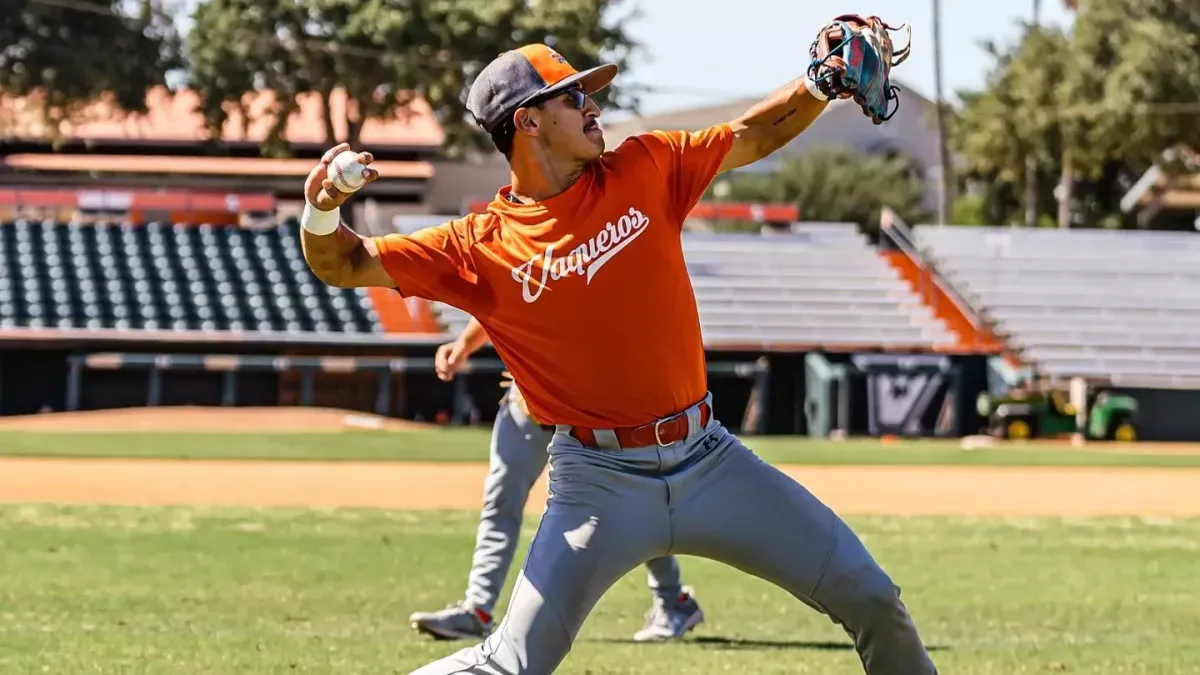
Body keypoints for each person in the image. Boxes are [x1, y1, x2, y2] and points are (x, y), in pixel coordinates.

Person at [299, 37, 937, 675]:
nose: (592, 105)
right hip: (596, 484)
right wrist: (321, 208)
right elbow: (345, 262)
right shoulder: (477, 246)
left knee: (874, 598)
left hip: (710, 460)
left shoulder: (645, 167)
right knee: (510, 664)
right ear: (527, 121)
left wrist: (818, 86)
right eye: (574, 96)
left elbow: (751, 134)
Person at [407, 316, 704, 643]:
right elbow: (494, 307)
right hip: (526, 411)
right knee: (500, 504)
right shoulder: (529, 270)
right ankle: (477, 609)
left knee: (630, 507)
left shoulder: (590, 278)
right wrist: (464, 345)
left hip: (592, 418)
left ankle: (673, 601)